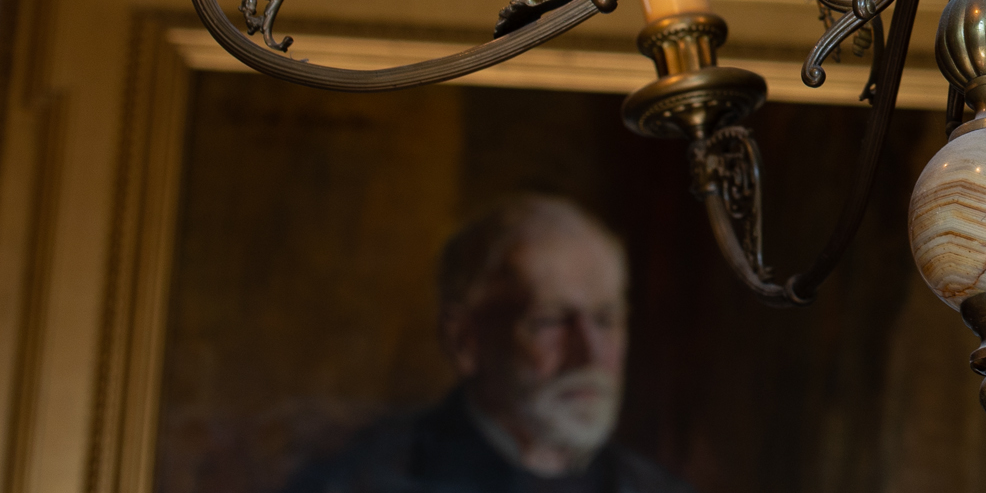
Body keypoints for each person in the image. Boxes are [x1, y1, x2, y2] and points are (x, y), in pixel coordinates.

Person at [284, 194, 692, 493]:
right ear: (465, 341)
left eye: (606, 320)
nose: (589, 355)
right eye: (549, 321)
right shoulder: (357, 481)